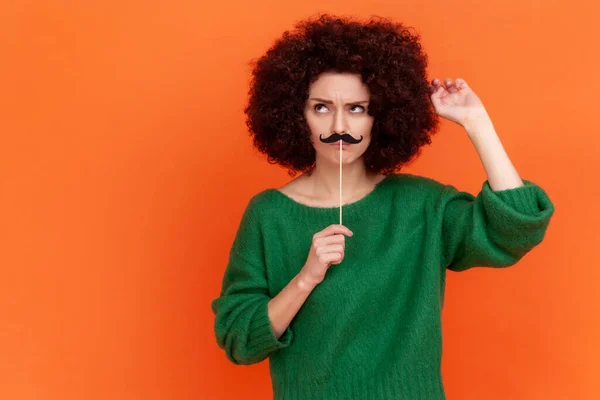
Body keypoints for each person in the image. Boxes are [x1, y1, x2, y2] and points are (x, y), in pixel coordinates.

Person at [210, 13, 554, 400]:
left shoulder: (422, 205)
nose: (339, 124)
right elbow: (239, 338)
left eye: (357, 108)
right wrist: (306, 277)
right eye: (321, 107)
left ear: (382, 116)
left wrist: (477, 123)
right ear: (296, 115)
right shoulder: (268, 215)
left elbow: (518, 226)